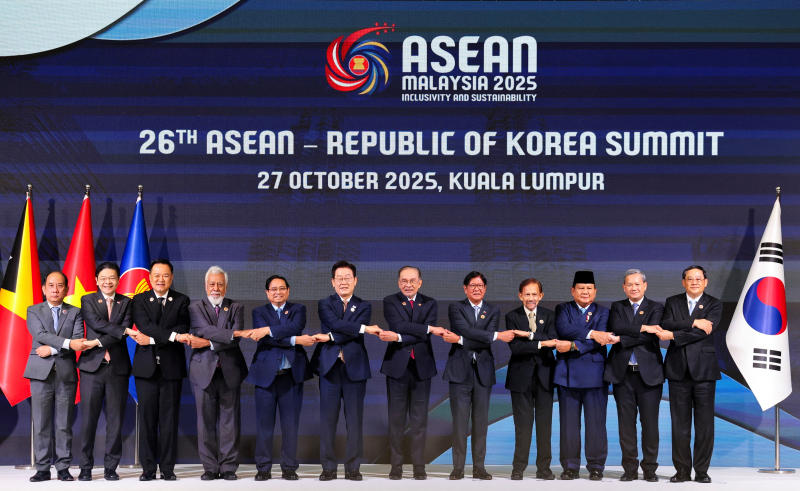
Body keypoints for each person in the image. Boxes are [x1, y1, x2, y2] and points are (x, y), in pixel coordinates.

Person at [439, 271, 513, 480]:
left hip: (483, 372)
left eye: (480, 285)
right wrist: (496, 336)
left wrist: (461, 340)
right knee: (460, 422)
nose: (477, 289)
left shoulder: (493, 310)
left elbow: (481, 340)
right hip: (459, 372)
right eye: (473, 285)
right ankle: (458, 467)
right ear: (465, 288)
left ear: (485, 288)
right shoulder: (456, 308)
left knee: (481, 422)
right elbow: (465, 329)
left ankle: (479, 467)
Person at [312, 261, 382, 481]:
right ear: (333, 282)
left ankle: (353, 468)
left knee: (354, 421)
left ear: (355, 281)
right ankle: (328, 468)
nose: (343, 281)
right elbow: (335, 323)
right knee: (328, 420)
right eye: (339, 278)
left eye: (347, 277)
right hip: (330, 368)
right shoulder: (324, 304)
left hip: (355, 369)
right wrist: (363, 329)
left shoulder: (364, 306)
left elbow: (343, 331)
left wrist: (331, 336)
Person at [246, 275, 316, 481]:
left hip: (291, 376)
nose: (278, 292)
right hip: (266, 377)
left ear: (288, 290)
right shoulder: (258, 312)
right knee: (264, 425)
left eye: (282, 288)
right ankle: (263, 468)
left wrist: (268, 330)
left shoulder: (298, 309)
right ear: (267, 293)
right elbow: (269, 339)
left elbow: (293, 327)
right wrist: (295, 340)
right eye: (273, 289)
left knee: (290, 424)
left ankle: (289, 467)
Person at [656, 265, 722, 484]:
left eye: (698, 278)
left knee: (704, 425)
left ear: (706, 281)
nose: (694, 282)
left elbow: (705, 332)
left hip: (704, 372)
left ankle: (701, 471)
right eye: (690, 279)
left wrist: (674, 335)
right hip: (678, 371)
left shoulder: (714, 303)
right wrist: (693, 321)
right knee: (680, 424)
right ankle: (682, 471)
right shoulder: (673, 301)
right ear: (683, 282)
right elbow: (666, 323)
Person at [378, 266, 444, 480]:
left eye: (412, 280)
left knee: (419, 421)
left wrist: (398, 337)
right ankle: (396, 466)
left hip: (422, 368)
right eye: (404, 281)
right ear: (398, 283)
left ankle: (418, 466)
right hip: (397, 367)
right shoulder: (390, 301)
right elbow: (398, 324)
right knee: (396, 420)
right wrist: (426, 329)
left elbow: (414, 333)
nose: (408, 284)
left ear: (420, 282)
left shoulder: (431, 302)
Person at [129, 258, 191, 481]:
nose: (160, 279)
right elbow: (144, 326)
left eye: (165, 275)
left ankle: (167, 468)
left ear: (171, 277)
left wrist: (154, 340)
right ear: (149, 278)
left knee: (169, 420)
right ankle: (147, 469)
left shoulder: (182, 300)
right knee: (146, 420)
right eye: (156, 275)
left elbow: (183, 327)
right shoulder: (139, 299)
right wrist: (172, 336)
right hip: (145, 370)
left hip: (171, 369)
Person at [185, 266, 248, 481]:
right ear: (205, 285)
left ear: (226, 285)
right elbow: (202, 329)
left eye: (220, 284)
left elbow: (236, 338)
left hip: (230, 370)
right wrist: (227, 335)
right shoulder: (194, 308)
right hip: (203, 372)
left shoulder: (236, 307)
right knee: (205, 422)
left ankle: (229, 467)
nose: (216, 288)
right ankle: (210, 467)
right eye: (212, 284)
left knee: (230, 422)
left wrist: (207, 343)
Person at [554, 270, 617, 481]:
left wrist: (572, 344)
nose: (585, 292)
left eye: (589, 288)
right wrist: (591, 333)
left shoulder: (604, 312)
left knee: (596, 423)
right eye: (581, 288)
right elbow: (564, 328)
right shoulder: (562, 309)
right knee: (569, 424)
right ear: (573, 290)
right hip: (567, 374)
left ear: (595, 291)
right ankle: (570, 466)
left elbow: (600, 340)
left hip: (595, 375)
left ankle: (596, 465)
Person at [25, 271, 87, 482]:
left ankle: (63, 467)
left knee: (63, 423)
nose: (55, 289)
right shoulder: (33, 310)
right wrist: (67, 343)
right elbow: (39, 335)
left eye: (60, 285)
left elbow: (78, 339)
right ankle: (42, 468)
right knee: (41, 422)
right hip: (40, 373)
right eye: (51, 285)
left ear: (66, 289)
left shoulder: (75, 312)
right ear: (44, 288)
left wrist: (51, 350)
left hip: (65, 373)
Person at [604, 269, 664, 482]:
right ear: (624, 287)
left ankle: (650, 469)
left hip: (649, 375)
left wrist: (621, 339)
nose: (634, 288)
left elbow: (649, 338)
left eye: (637, 284)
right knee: (626, 424)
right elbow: (616, 327)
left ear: (645, 286)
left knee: (650, 424)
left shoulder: (656, 307)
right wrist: (642, 328)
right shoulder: (617, 307)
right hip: (623, 374)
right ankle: (629, 468)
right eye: (630, 284)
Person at [78, 262, 133, 481]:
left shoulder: (126, 302)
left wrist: (96, 342)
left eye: (112, 278)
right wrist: (121, 331)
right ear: (96, 280)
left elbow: (122, 334)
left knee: (116, 420)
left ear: (118, 280)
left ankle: (111, 467)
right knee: (88, 420)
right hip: (92, 367)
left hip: (117, 368)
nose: (107, 282)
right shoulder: (88, 300)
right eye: (103, 278)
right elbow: (96, 323)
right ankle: (85, 467)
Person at [504, 278, 557, 481]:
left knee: (545, 426)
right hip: (520, 378)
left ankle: (544, 468)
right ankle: (518, 467)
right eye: (527, 294)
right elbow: (516, 348)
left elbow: (553, 341)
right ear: (520, 295)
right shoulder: (512, 316)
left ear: (541, 296)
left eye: (535, 294)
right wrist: (541, 342)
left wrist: (530, 336)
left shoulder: (550, 315)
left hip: (545, 376)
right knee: (522, 425)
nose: (531, 298)